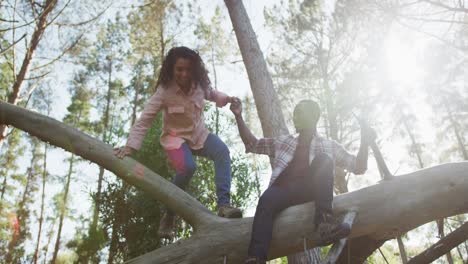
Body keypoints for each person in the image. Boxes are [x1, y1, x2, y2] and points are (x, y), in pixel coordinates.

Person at [114, 46, 242, 239]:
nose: (184, 74)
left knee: (222, 152)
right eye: (179, 69)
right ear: (171, 69)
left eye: (188, 69)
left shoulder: (199, 85)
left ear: (194, 70)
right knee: (188, 167)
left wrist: (227, 98)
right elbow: (145, 120)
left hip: (199, 135)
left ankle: (224, 205)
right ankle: (169, 214)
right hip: (174, 140)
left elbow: (211, 93)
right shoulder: (164, 92)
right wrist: (130, 146)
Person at [230, 99, 375, 264]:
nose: (294, 117)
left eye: (299, 113)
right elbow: (253, 144)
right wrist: (239, 116)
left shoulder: (329, 145)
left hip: (310, 190)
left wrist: (365, 142)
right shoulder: (284, 141)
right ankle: (256, 257)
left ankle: (325, 223)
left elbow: (358, 167)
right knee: (266, 200)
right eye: (294, 114)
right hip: (282, 191)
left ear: (313, 117)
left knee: (324, 159)